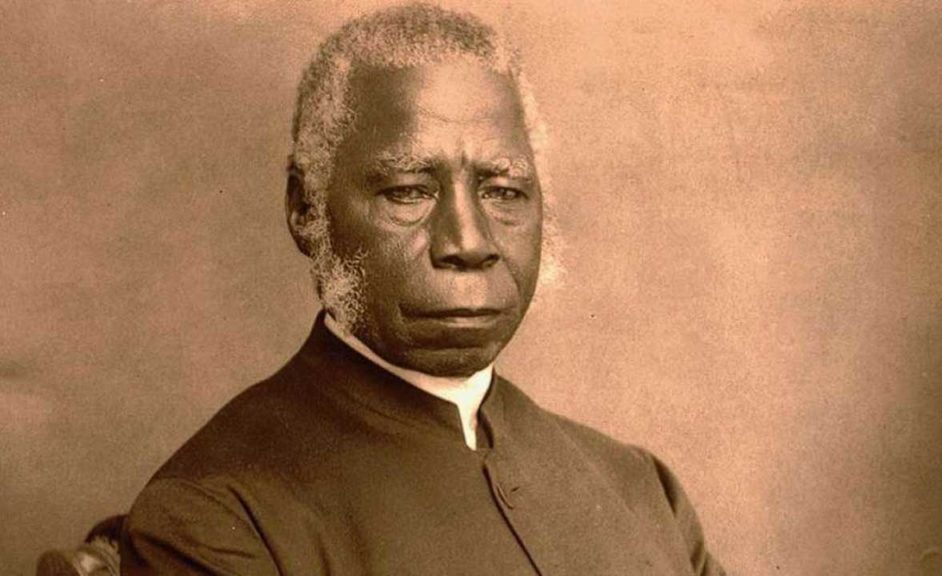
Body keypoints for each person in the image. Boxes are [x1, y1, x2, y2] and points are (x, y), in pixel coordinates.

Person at [120, 3, 725, 575]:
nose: (468, 242)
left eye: (502, 191)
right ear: (306, 210)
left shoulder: (641, 491)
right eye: (409, 191)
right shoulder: (214, 519)